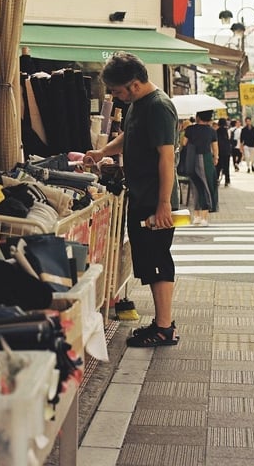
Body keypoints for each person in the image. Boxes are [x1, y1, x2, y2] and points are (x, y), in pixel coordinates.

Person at [85, 52, 180, 348]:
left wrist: (164, 203)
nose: (115, 96)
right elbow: (128, 137)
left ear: (135, 84)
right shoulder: (138, 105)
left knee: (158, 260)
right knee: (149, 262)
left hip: (155, 199)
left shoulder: (159, 107)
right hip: (142, 196)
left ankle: (164, 328)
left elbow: (167, 158)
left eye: (116, 91)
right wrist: (103, 152)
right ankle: (161, 323)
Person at [181, 110, 219, 225]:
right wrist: (216, 158)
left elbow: (184, 143)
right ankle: (204, 217)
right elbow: (215, 147)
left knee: (195, 187)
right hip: (205, 159)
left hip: (191, 160)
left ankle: (196, 216)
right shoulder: (211, 131)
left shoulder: (190, 129)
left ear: (198, 117)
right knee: (207, 186)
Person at [215, 118, 232, 187]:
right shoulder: (228, 131)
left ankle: (216, 179)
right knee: (226, 166)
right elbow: (230, 140)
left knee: (218, 167)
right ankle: (227, 180)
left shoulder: (216, 131)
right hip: (226, 151)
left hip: (219, 151)